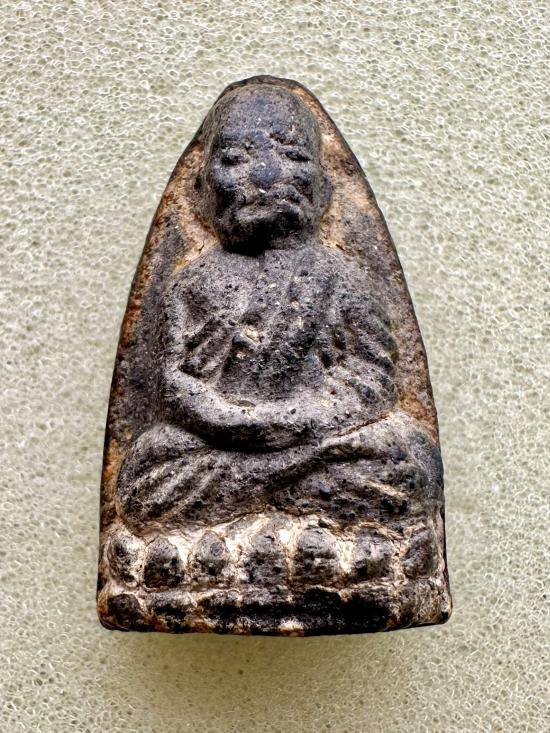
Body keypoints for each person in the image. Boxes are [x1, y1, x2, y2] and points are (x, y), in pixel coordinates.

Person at [117, 85, 442, 533]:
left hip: (317, 435)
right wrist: (233, 421)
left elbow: (371, 377)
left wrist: (303, 420)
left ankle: (256, 492)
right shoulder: (192, 284)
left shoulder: (342, 278)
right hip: (217, 441)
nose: (266, 176)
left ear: (325, 189)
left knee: (411, 461)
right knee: (144, 476)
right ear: (200, 189)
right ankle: (285, 490)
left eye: (293, 156)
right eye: (235, 160)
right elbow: (172, 384)